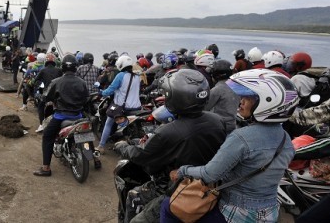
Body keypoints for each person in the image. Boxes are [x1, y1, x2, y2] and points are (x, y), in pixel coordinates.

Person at [160, 69, 299, 223]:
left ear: (267, 103)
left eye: (249, 98)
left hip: (237, 212)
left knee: (169, 207)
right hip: (269, 211)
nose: (241, 101)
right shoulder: (285, 139)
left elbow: (209, 174)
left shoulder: (242, 137)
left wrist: (182, 171)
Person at [114, 69, 227, 222]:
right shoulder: (217, 120)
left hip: (177, 187)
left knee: (133, 198)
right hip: (207, 184)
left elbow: (141, 156)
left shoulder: (168, 132)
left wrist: (122, 146)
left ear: (175, 97)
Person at [33, 54, 90, 177]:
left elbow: (45, 97)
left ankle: (46, 168)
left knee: (47, 137)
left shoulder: (56, 82)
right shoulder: (82, 82)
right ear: (75, 67)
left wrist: (41, 97)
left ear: (63, 67)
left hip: (61, 116)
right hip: (78, 116)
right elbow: (86, 98)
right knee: (86, 135)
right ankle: (94, 159)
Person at [96, 55, 142, 154]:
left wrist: (101, 92)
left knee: (108, 123)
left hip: (122, 107)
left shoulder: (121, 76)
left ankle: (101, 146)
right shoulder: (137, 76)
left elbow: (110, 90)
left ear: (121, 65)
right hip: (137, 107)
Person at [204, 59, 240, 133]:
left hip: (219, 127)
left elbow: (204, 108)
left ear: (217, 75)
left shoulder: (217, 90)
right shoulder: (236, 87)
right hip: (233, 125)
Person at [34, 53, 63, 132]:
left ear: (46, 61)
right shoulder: (59, 70)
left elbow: (36, 81)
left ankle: (41, 124)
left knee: (40, 107)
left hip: (46, 95)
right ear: (54, 61)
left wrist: (41, 87)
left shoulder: (43, 70)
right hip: (57, 95)